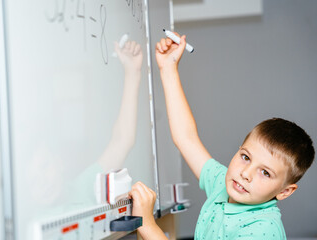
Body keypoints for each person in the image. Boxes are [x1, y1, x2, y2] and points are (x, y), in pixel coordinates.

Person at [128, 33, 315, 240]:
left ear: (285, 191)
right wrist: (168, 68)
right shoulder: (224, 184)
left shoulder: (263, 230)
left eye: (265, 172)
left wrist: (146, 223)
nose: (246, 173)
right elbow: (186, 138)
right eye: (245, 157)